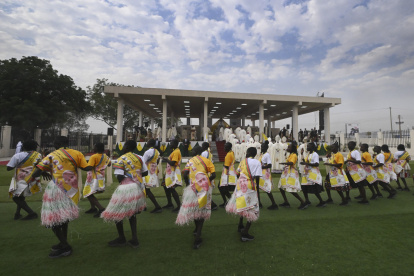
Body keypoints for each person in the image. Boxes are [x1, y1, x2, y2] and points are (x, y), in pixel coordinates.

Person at [33, 136, 92, 258]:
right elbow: (86, 167)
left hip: (56, 189)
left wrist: (38, 175)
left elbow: (38, 170)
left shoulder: (52, 155)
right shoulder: (77, 153)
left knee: (53, 219)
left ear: (57, 144)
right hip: (72, 189)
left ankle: (65, 246)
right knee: (63, 217)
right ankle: (62, 241)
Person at [101, 140, 147, 248]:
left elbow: (119, 176)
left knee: (117, 212)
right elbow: (145, 172)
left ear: (126, 147)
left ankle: (121, 238)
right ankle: (134, 239)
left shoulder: (120, 159)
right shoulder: (140, 157)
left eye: (124, 145)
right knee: (132, 213)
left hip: (125, 187)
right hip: (137, 187)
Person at [176, 146, 216, 249]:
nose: (192, 150)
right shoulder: (207, 160)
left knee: (194, 209)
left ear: (196, 151)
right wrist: (207, 180)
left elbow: (185, 174)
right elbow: (214, 175)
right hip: (205, 188)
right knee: (202, 210)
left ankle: (197, 234)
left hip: (193, 189)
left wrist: (187, 183)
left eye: (193, 150)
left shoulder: (190, 161)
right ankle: (197, 235)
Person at [226, 147, 261, 242]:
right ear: (254, 154)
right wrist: (257, 190)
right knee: (252, 208)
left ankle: (240, 225)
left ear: (248, 152)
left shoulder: (242, 161)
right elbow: (257, 177)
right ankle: (245, 233)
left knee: (242, 204)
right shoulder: (257, 162)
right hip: (250, 186)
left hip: (240, 186)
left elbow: (237, 173)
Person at [7, 140, 42, 220]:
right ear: (35, 147)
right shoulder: (38, 155)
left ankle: (31, 213)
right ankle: (17, 213)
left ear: (24, 147)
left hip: (21, 179)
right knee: (21, 197)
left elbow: (9, 168)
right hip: (32, 178)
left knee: (16, 197)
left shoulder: (18, 156)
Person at [83, 142, 111, 218]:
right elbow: (109, 164)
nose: (93, 148)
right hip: (100, 176)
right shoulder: (105, 156)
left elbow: (90, 167)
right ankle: (93, 208)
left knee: (88, 193)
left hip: (93, 177)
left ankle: (101, 208)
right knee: (90, 192)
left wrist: (80, 166)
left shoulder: (93, 156)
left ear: (97, 148)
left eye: (94, 147)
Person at [278, 141, 308, 209]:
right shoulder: (290, 154)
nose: (287, 148)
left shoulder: (294, 155)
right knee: (281, 187)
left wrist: (284, 163)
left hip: (291, 173)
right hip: (287, 172)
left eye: (289, 147)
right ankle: (286, 202)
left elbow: (291, 163)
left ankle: (303, 202)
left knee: (291, 188)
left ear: (292, 148)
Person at [300, 143, 325, 207]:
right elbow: (306, 161)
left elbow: (316, 164)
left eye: (308, 146)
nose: (307, 147)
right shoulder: (308, 154)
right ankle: (307, 200)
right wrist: (302, 154)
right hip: (307, 173)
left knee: (314, 188)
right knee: (304, 186)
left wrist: (305, 163)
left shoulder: (315, 154)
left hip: (313, 173)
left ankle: (321, 201)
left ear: (312, 147)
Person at [142, 139, 162, 213]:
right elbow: (157, 161)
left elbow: (143, 162)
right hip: (152, 171)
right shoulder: (157, 151)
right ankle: (143, 205)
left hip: (147, 171)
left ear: (150, 143)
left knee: (146, 189)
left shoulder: (148, 152)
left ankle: (157, 206)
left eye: (148, 141)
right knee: (145, 189)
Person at [162, 139, 182, 212]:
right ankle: (170, 203)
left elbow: (173, 163)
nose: (170, 144)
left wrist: (166, 159)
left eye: (171, 143)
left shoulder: (176, 151)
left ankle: (179, 206)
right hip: (169, 172)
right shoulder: (175, 151)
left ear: (175, 144)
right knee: (166, 187)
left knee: (171, 188)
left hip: (172, 172)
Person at [258, 142, 278, 210]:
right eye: (261, 146)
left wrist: (261, 167)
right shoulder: (262, 155)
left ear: (266, 148)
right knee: (257, 187)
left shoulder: (267, 155)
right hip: (261, 173)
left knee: (267, 189)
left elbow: (269, 165)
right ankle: (259, 203)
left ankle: (274, 204)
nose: (262, 148)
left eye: (263, 147)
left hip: (265, 174)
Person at [218, 142, 237, 207]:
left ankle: (231, 201)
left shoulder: (229, 154)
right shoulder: (232, 153)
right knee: (223, 188)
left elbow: (226, 165)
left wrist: (224, 165)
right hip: (230, 172)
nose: (224, 148)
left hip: (227, 173)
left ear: (229, 147)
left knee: (222, 187)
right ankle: (228, 201)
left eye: (225, 147)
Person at [201, 142, 218, 210]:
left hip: (207, 172)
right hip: (210, 171)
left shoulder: (204, 153)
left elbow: (203, 162)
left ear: (204, 146)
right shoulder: (209, 153)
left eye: (202, 146)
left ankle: (212, 205)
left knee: (205, 189)